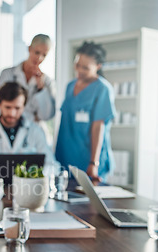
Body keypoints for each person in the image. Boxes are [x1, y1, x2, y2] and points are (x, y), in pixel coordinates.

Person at [55, 41, 115, 182]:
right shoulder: (70, 86)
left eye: (85, 68)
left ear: (98, 66)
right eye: (77, 65)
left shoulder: (102, 89)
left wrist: (93, 163)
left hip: (88, 159)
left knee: (90, 202)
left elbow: (98, 127)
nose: (79, 71)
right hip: (66, 157)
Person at [0, 34, 55, 124]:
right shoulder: (8, 74)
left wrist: (41, 88)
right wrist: (32, 116)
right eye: (37, 52)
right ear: (29, 49)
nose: (39, 58)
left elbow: (46, 115)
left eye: (44, 55)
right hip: (10, 127)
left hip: (33, 130)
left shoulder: (47, 82)